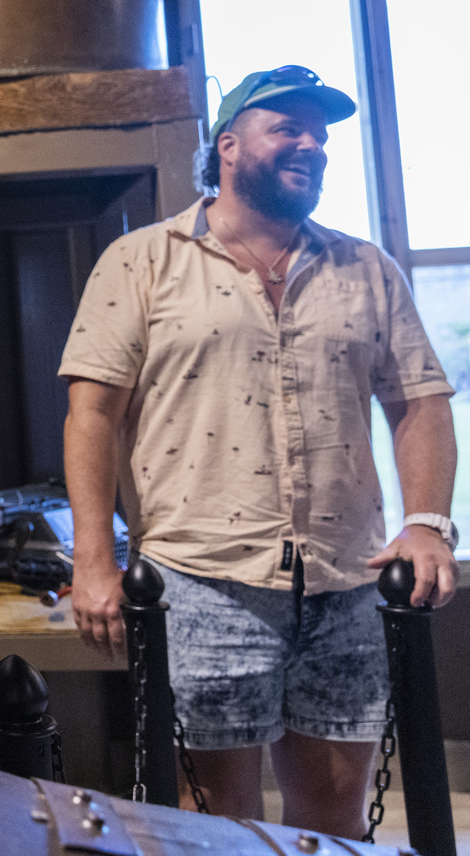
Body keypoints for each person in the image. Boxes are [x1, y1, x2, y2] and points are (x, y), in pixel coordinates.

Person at [60, 65, 458, 835]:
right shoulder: (142, 260)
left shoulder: (366, 268)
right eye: (290, 128)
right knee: (211, 817)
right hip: (201, 579)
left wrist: (426, 523)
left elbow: (419, 400)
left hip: (348, 578)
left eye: (322, 134)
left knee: (336, 813)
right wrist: (91, 559)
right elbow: (92, 413)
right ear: (230, 145)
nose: (312, 144)